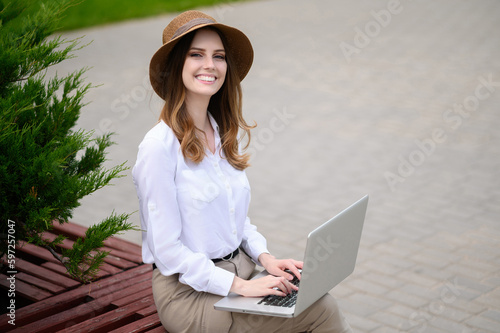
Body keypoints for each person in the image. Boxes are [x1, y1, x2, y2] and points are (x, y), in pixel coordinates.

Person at [132, 10, 352, 333]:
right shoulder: (158, 148)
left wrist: (265, 258)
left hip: (240, 271)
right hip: (189, 294)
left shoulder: (217, 130)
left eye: (218, 56)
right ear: (177, 64)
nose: (210, 65)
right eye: (197, 54)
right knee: (321, 310)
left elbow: (234, 220)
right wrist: (240, 286)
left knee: (310, 297)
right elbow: (167, 251)